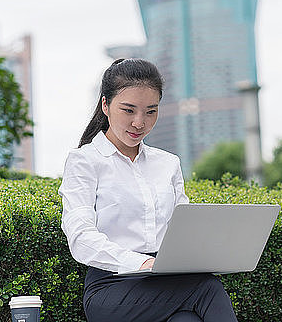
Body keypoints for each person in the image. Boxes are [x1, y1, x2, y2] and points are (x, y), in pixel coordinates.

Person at [59, 58, 238, 322]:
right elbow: (80, 237)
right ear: (106, 105)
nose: (139, 123)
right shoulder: (85, 161)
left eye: (150, 111)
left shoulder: (168, 164)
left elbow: (184, 229)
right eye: (128, 110)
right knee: (207, 288)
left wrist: (209, 254)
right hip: (111, 288)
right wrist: (140, 263)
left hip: (168, 282)